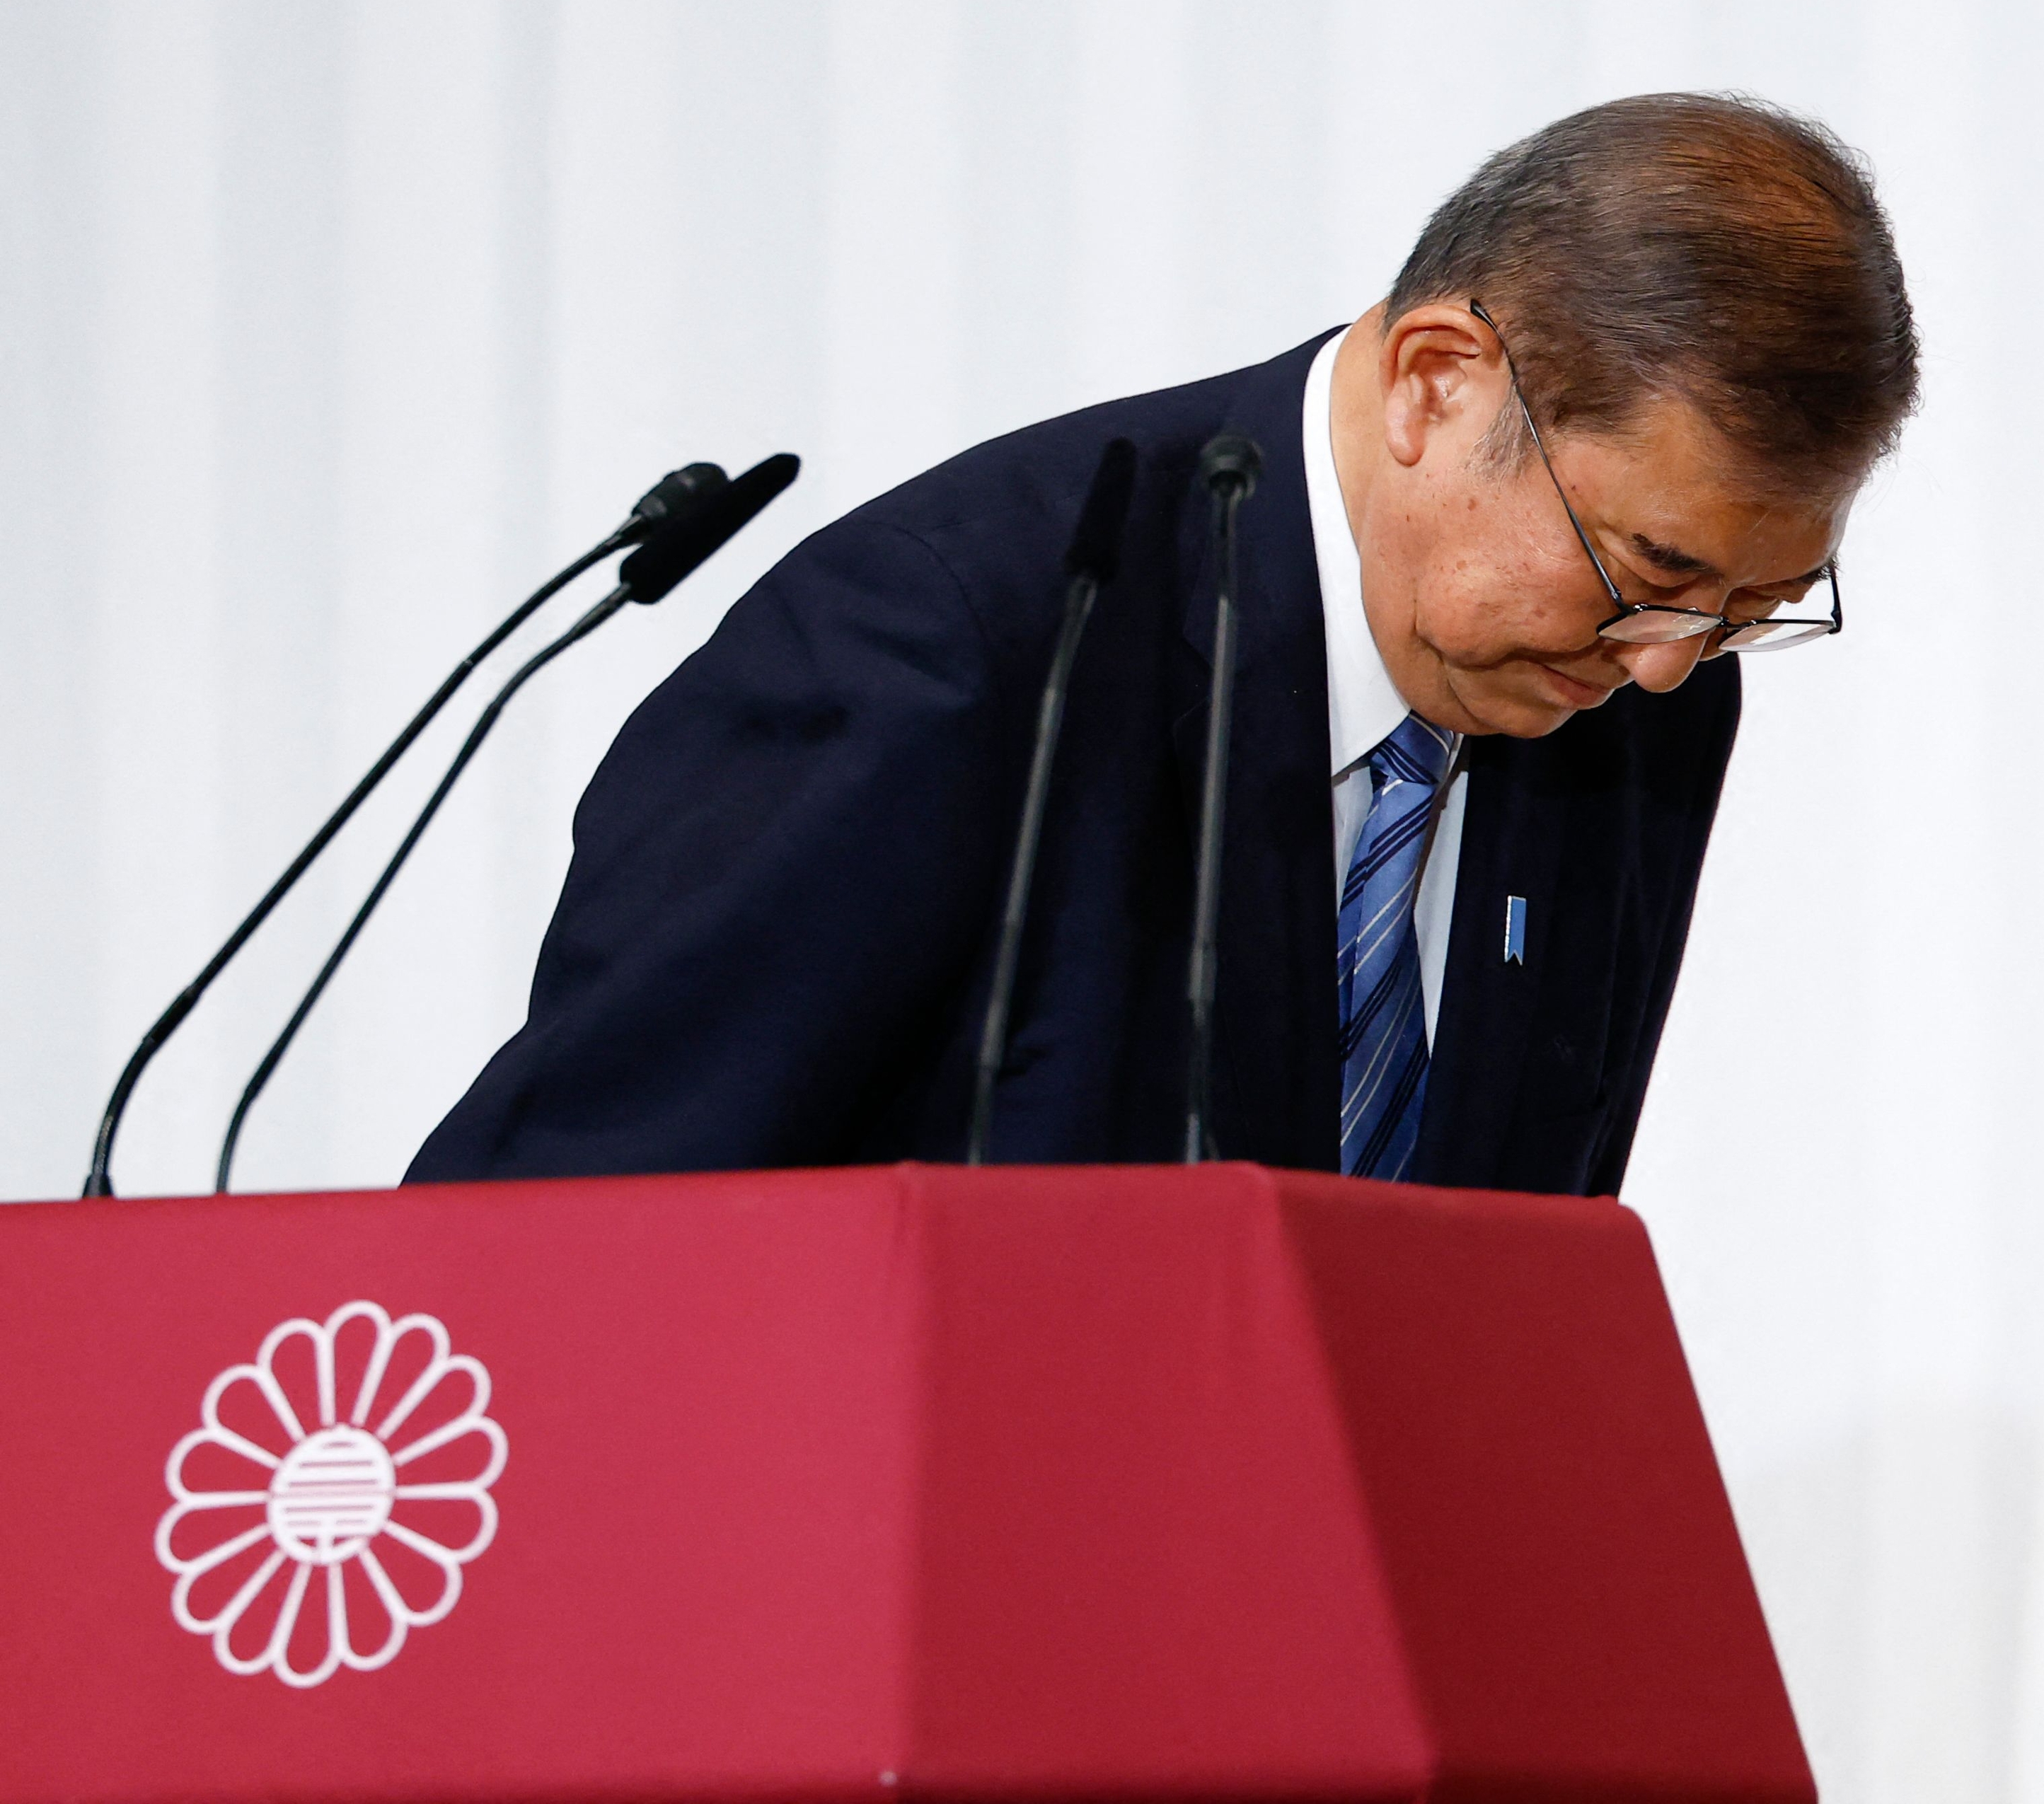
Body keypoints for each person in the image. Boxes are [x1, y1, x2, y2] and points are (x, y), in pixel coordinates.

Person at [406, 93, 1919, 1196]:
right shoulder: (954, 642)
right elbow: (565, 1243)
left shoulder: (1630, 692)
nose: (1665, 660)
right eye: (1648, 567)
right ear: (1437, 383)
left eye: (1746, 609)